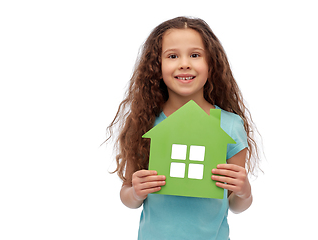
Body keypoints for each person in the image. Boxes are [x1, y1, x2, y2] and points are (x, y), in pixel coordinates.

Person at [106, 16, 260, 240]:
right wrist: (136, 192)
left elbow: (236, 205)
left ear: (211, 64)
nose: (184, 63)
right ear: (157, 66)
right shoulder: (143, 122)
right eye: (172, 56)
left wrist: (244, 191)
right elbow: (128, 196)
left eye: (195, 55)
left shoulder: (230, 125)